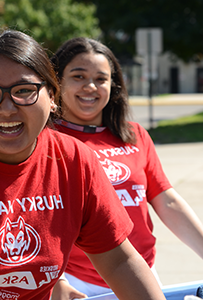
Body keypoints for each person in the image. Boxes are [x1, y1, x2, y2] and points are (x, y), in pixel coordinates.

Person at [0, 30, 166, 300]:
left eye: (24, 91)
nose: (7, 108)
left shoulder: (75, 161)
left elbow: (119, 262)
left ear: (52, 96)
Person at [50, 37, 203, 298]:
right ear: (57, 82)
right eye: (78, 76)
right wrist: (56, 281)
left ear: (114, 85)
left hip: (141, 273)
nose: (90, 86)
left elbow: (167, 201)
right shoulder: (46, 142)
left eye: (101, 78)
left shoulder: (134, 136)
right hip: (79, 284)